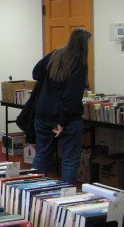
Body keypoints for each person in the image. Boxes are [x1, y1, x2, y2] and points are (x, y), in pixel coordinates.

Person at [31, 27, 91, 185]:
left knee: (42, 154)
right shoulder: (79, 64)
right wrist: (62, 122)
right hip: (67, 120)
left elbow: (36, 73)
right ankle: (66, 197)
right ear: (85, 45)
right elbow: (71, 98)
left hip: (43, 113)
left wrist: (50, 83)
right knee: (70, 159)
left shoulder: (55, 54)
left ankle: (31, 191)